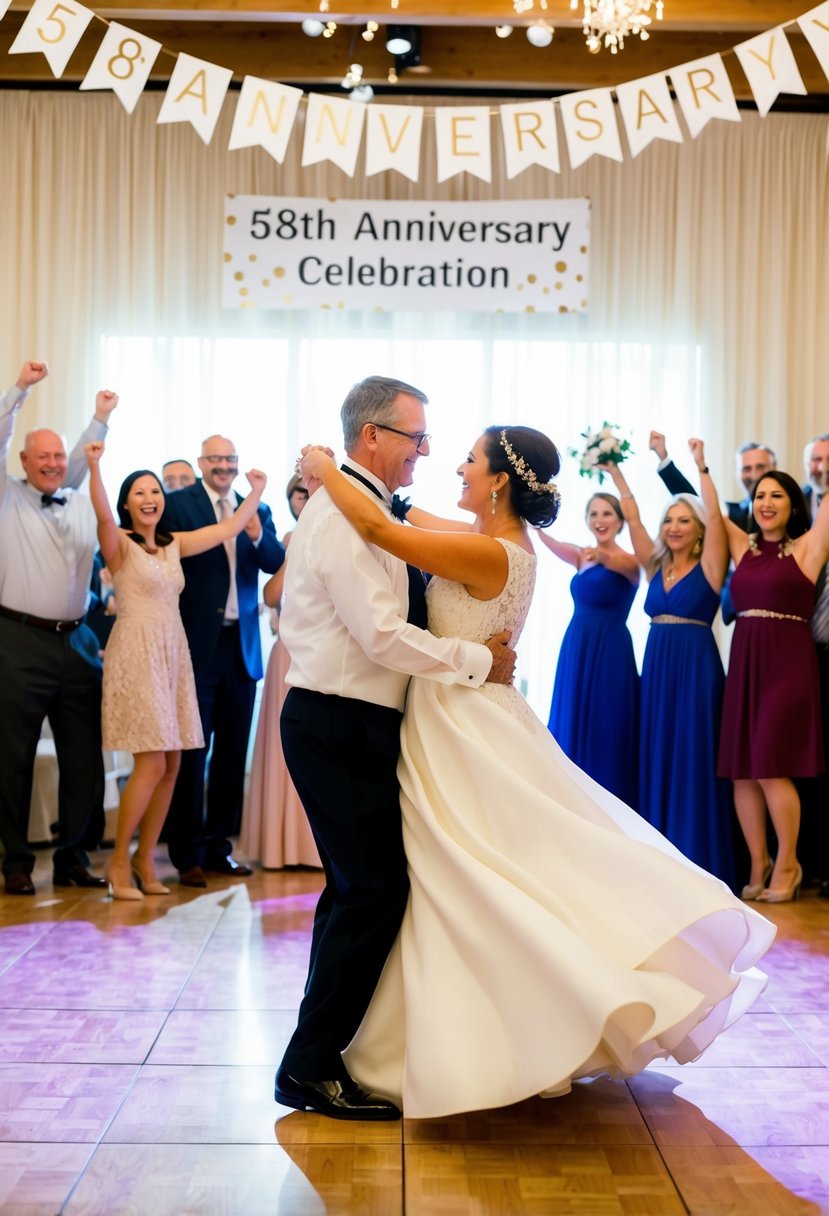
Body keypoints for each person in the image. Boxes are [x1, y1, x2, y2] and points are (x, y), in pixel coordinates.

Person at [298, 427, 774, 1121]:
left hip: (459, 720)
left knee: (472, 873)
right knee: (469, 874)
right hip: (461, 709)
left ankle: (504, 1032)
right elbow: (397, 512)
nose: (455, 467)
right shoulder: (492, 540)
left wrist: (321, 467)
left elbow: (376, 521)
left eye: (468, 459)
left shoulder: (486, 549)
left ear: (497, 481)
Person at [273, 375, 516, 1121]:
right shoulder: (344, 518)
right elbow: (379, 634)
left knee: (357, 891)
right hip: (336, 719)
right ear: (372, 436)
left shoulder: (364, 504)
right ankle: (309, 1068)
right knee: (373, 892)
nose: (424, 453)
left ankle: (321, 1057)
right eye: (415, 439)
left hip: (357, 721)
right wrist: (480, 665)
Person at [84, 441, 267, 899]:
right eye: (140, 493)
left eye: (154, 493)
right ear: (129, 502)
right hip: (137, 651)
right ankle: (119, 864)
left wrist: (256, 492)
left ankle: (147, 862)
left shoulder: (173, 544)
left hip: (173, 653)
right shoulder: (120, 545)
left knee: (171, 764)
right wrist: (94, 465)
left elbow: (229, 527)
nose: (149, 499)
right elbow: (104, 516)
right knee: (150, 763)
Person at [0, 361, 118, 896]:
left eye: (57, 456)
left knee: (83, 757)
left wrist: (100, 419)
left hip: (77, 640)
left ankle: (73, 857)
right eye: (41, 456)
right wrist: (20, 389)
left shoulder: (79, 501)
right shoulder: (7, 497)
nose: (51, 464)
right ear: (23, 461)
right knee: (11, 756)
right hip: (18, 640)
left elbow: (81, 461)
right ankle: (17, 863)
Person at [605, 444, 737, 889]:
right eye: (670, 520)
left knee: (693, 755)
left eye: (684, 520)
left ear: (699, 528)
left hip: (696, 669)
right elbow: (636, 520)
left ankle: (696, 858)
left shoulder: (712, 565)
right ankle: (656, 856)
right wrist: (617, 475)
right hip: (657, 669)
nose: (674, 527)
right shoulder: (655, 564)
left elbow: (718, 519)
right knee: (657, 751)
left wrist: (701, 467)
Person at [160, 434, 283, 887]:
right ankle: (186, 853)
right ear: (201, 463)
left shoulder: (256, 507)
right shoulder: (180, 504)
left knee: (232, 754)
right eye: (215, 459)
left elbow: (274, 561)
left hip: (242, 647)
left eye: (230, 459)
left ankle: (218, 848)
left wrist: (254, 527)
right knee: (193, 753)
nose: (224, 466)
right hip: (196, 646)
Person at [718, 471, 829, 903]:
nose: (766, 502)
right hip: (745, 663)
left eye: (776, 495)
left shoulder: (808, 547)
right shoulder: (741, 547)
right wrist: (699, 465)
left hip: (788, 666)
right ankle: (758, 863)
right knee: (741, 771)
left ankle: (789, 863)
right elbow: (706, 509)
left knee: (768, 765)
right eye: (760, 495)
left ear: (792, 504)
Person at [537, 492, 639, 805]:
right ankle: (570, 800)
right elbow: (550, 544)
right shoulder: (582, 556)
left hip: (610, 651)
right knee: (571, 716)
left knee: (607, 724)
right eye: (593, 514)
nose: (599, 520)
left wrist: (600, 553)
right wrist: (532, 519)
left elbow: (622, 565)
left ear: (620, 521)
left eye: (607, 513)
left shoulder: (629, 562)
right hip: (577, 646)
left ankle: (610, 802)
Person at [241, 474, 319, 869]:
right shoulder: (287, 540)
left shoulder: (342, 535)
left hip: (321, 651)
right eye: (297, 494)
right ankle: (280, 847)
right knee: (283, 746)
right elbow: (272, 596)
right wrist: (296, 549)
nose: (302, 499)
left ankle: (312, 846)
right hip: (287, 652)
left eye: (308, 492)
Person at [650, 432, 776, 624]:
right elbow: (697, 506)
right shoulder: (731, 515)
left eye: (760, 467)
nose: (753, 475)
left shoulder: (793, 509)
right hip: (742, 616)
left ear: (774, 469)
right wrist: (664, 459)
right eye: (746, 468)